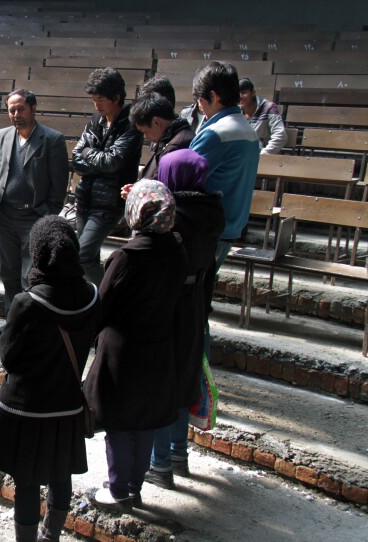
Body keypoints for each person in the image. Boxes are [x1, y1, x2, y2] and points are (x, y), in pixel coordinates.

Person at [0, 215, 101, 542]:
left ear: (39, 252)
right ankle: (52, 536)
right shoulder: (91, 296)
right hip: (67, 405)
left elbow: (10, 358)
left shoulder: (26, 302)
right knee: (61, 475)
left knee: (28, 482)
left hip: (27, 409)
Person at [85, 180, 187, 511]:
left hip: (122, 352)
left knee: (118, 421)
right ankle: (134, 486)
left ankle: (118, 490)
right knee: (144, 420)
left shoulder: (127, 257)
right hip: (158, 347)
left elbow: (103, 305)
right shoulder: (177, 250)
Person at [143, 150, 224, 488]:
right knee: (184, 381)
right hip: (196, 306)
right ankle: (178, 454)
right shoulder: (213, 211)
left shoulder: (173, 216)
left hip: (169, 307)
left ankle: (160, 465)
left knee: (162, 385)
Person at [0, 89, 68, 319]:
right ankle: (12, 321)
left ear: (33, 108)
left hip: (34, 216)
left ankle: (28, 321)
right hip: (5, 215)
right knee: (8, 272)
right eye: (12, 109)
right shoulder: (2, 136)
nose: (16, 114)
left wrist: (47, 213)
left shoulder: (52, 139)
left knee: (29, 274)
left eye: (21, 108)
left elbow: (59, 183)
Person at [72, 68, 143, 287]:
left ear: (116, 97)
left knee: (82, 256)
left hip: (110, 202)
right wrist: (98, 162)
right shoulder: (96, 121)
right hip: (85, 198)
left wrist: (90, 156)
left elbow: (113, 162)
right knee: (87, 257)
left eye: (100, 99)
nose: (97, 105)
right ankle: (100, 302)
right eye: (93, 100)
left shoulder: (131, 125)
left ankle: (110, 297)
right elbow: (76, 158)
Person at [189, 61, 260, 272]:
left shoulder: (216, 134)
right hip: (229, 226)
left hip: (208, 229)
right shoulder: (248, 131)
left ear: (214, 96)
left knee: (190, 295)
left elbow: (184, 178)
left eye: (200, 100)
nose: (199, 107)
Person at [130, 92, 194, 180]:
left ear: (156, 122)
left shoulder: (176, 145)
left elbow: (161, 183)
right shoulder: (167, 138)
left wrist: (140, 189)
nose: (146, 136)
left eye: (144, 131)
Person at [239, 78, 288, 154]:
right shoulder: (236, 111)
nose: (240, 96)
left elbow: (280, 136)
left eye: (244, 92)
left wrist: (263, 155)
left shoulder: (269, 107)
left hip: (261, 156)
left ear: (253, 93)